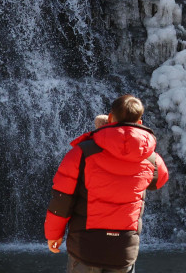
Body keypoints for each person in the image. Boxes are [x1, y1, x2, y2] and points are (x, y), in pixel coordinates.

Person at [44, 95, 170, 273]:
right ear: (139, 122)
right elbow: (159, 181)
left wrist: (53, 235)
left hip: (85, 245)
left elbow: (62, 198)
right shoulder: (150, 159)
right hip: (123, 247)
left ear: (110, 117)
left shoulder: (82, 152)